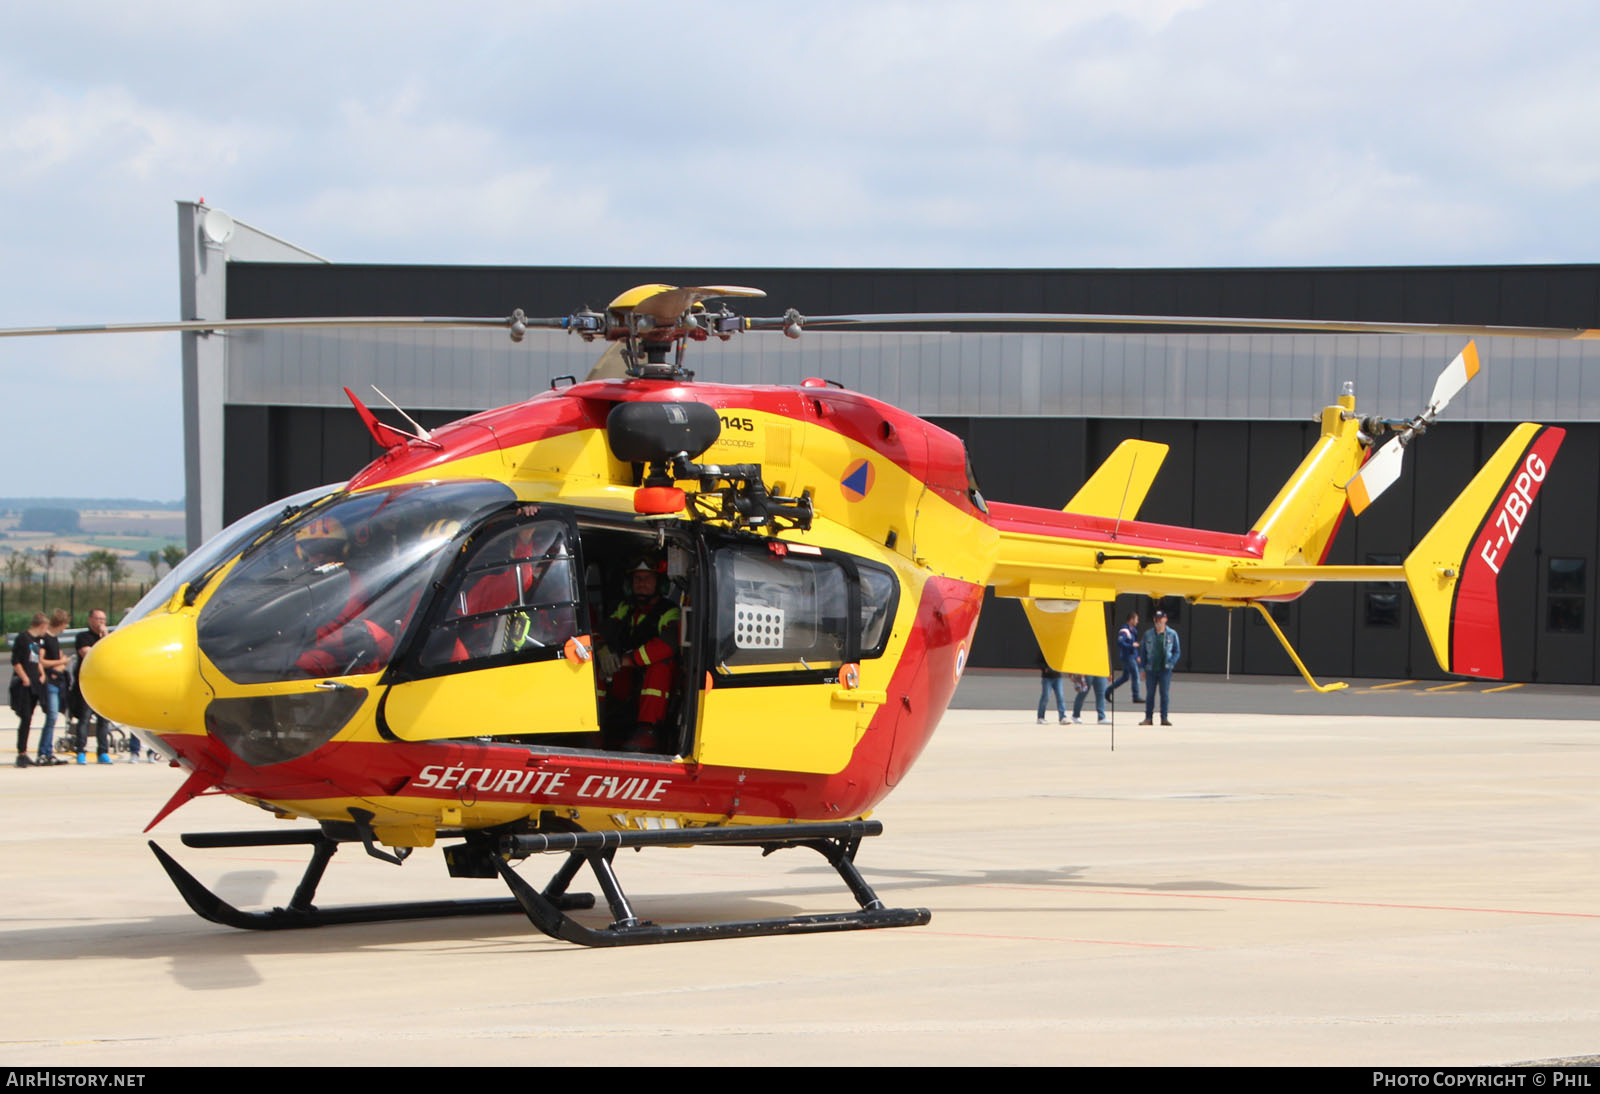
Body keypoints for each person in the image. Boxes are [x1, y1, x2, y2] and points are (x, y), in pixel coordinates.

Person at [596, 556, 680, 752]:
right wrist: (601, 649)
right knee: (593, 664)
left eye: (648, 578)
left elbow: (668, 644)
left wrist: (629, 660)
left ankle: (647, 732)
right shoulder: (625, 609)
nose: (641, 583)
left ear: (659, 583)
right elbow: (599, 631)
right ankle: (594, 727)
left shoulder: (670, 612)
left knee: (661, 666)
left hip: (652, 683)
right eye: (637, 579)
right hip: (623, 679)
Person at [73, 608, 118, 765]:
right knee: (84, 718)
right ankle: (80, 750)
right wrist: (103, 640)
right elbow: (90, 654)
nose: (101, 623)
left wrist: (106, 636)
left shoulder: (108, 638)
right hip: (88, 683)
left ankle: (103, 751)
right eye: (98, 619)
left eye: (103, 620)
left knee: (103, 720)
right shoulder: (83, 637)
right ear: (90, 619)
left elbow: (111, 655)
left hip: (103, 685)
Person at [36, 609, 73, 765]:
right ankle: (44, 752)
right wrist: (60, 663)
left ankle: (48, 751)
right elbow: (42, 660)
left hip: (58, 681)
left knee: (53, 717)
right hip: (50, 682)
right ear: (61, 623)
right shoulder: (46, 639)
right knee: (51, 716)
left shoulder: (54, 640)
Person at [10, 613, 47, 767]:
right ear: (41, 625)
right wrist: (25, 678)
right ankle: (21, 753)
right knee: (25, 718)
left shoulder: (36, 641)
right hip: (24, 684)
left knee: (29, 718)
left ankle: (24, 751)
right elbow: (16, 661)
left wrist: (42, 673)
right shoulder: (22, 639)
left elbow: (36, 659)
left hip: (35, 683)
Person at [1139, 610, 1181, 726]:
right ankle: (1148, 718)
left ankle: (1164, 718)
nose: (1158, 622)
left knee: (1164, 694)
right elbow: (1143, 653)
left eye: (1160, 619)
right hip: (1151, 669)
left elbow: (1177, 651)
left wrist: (1172, 663)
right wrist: (1142, 669)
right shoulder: (1148, 634)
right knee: (1150, 694)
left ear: (1165, 620)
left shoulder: (1172, 634)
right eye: (1156, 619)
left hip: (1165, 669)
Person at [1106, 610, 1143, 704]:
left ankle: (1108, 691)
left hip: (1132, 656)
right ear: (1131, 619)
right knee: (1135, 675)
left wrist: (1137, 655)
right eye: (1136, 619)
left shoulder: (1134, 631)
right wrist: (1131, 646)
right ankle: (1136, 696)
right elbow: (1120, 642)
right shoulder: (1124, 630)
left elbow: (1134, 644)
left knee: (1125, 677)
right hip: (1127, 656)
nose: (1137, 622)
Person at [1036, 655, 1067, 724]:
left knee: (1060, 696)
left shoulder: (1059, 651)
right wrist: (1045, 668)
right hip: (1047, 678)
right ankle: (1040, 717)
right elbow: (1038, 661)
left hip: (1057, 677)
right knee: (1045, 697)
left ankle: (1062, 717)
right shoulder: (1044, 650)